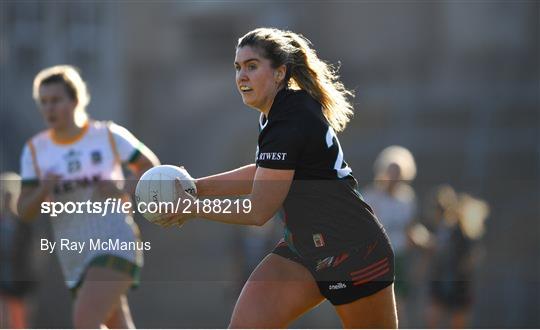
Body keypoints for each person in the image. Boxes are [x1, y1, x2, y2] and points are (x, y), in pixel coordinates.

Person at [157, 28, 397, 328]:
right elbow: (264, 173)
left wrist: (191, 208)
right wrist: (195, 188)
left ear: (280, 73)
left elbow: (258, 211)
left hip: (352, 254)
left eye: (252, 66)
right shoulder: (278, 113)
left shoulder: (288, 118)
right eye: (238, 67)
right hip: (304, 251)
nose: (241, 76)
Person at [17, 65, 160, 328]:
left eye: (56, 100)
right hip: (73, 254)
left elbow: (152, 168)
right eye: (44, 102)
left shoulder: (106, 135)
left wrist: (123, 187)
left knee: (85, 322)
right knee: (117, 323)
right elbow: (24, 209)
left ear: (75, 101)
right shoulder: (35, 150)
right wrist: (43, 189)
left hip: (114, 241)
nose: (49, 108)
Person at [361, 145, 417, 326]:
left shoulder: (407, 199)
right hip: (375, 257)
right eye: (391, 171)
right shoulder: (371, 196)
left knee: (398, 305)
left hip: (398, 258)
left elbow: (410, 229)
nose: (394, 177)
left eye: (398, 173)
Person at [0, 172, 34, 328]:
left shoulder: (24, 227)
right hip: (3, 284)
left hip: (18, 285)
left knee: (17, 323)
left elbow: (31, 258)